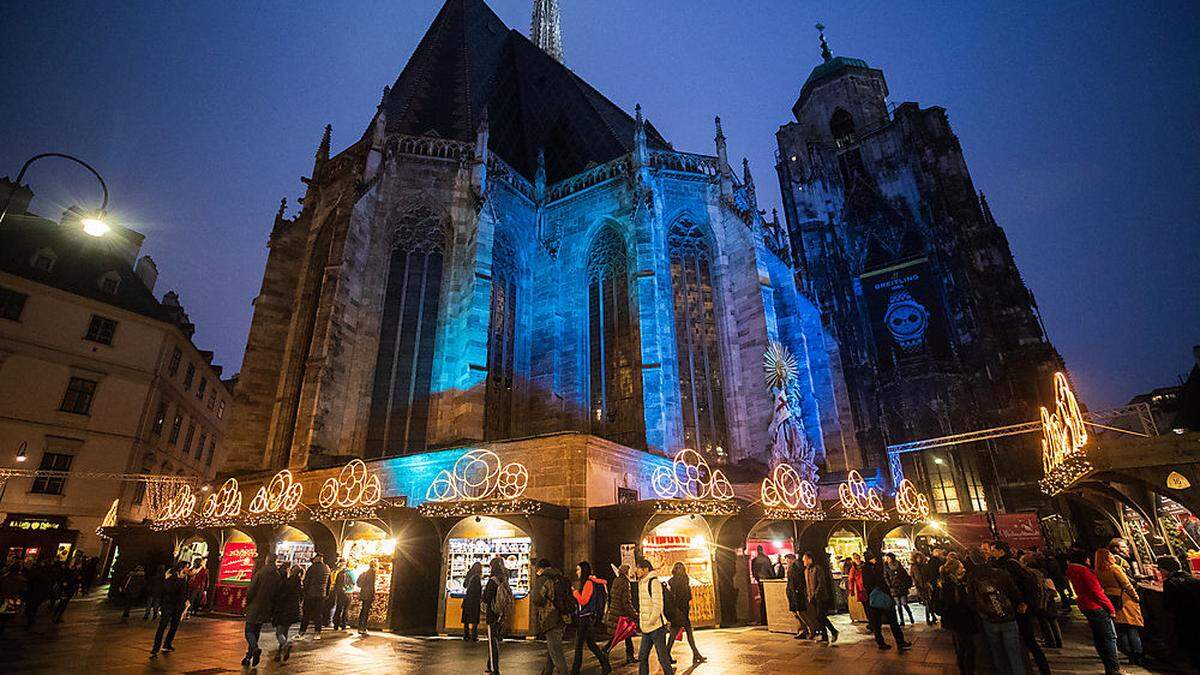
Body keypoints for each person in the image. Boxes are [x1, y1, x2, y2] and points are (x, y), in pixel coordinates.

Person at [985, 540, 1051, 675]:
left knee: (1028, 640)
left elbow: (1025, 585)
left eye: (992, 550)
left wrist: (1024, 602)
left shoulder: (1010, 565)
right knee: (1023, 641)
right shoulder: (1000, 564)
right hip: (1012, 608)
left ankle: (1043, 670)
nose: (991, 553)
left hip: (1019, 608)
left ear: (1001, 551)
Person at [966, 548, 1024, 674]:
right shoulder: (1000, 573)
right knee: (1014, 653)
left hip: (989, 618)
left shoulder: (972, 577)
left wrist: (981, 611)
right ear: (986, 557)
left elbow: (971, 601)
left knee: (997, 653)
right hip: (1007, 615)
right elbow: (1015, 593)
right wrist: (1019, 603)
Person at [1065, 548, 1121, 674]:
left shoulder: (1072, 570)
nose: (1089, 560)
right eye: (1087, 558)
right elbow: (1097, 592)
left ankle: (1109, 667)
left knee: (1099, 638)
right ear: (1084, 559)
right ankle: (1114, 668)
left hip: (1086, 606)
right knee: (1109, 638)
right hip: (1096, 607)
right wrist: (1111, 609)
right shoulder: (1085, 572)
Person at [1094, 547, 1144, 666]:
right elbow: (1126, 584)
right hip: (1124, 599)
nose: (1113, 556)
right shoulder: (1115, 568)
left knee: (1121, 629)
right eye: (1110, 555)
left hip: (1111, 599)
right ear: (1107, 557)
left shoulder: (1098, 571)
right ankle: (1137, 654)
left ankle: (1129, 654)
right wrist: (1135, 596)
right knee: (1132, 627)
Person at [938, 557, 979, 675]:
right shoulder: (954, 585)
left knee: (961, 647)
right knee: (969, 648)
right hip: (960, 620)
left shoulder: (948, 582)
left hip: (955, 621)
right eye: (961, 567)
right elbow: (956, 604)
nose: (964, 569)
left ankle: (963, 670)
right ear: (954, 570)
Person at [1159, 555, 1200, 672]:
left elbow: (1169, 605)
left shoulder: (1170, 582)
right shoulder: (1193, 579)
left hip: (1182, 618)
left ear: (1164, 569)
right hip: (1196, 615)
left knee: (1189, 645)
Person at [861, 550, 909, 651]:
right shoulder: (873, 569)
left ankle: (881, 642)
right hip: (881, 596)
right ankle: (899, 641)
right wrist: (887, 593)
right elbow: (880, 582)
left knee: (877, 623)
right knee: (892, 620)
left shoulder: (866, 569)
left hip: (874, 598)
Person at [570, 560, 612, 674]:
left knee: (578, 645)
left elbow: (583, 601)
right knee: (591, 644)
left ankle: (575, 670)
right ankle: (606, 666)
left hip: (585, 618)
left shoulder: (588, 583)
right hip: (587, 617)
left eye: (578, 570)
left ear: (583, 570)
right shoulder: (589, 582)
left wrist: (575, 593)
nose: (577, 572)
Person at [634, 559, 674, 675]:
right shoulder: (641, 583)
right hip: (646, 628)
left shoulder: (654, 582)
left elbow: (658, 605)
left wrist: (651, 621)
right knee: (642, 656)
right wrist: (643, 623)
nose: (636, 571)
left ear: (645, 569)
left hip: (656, 628)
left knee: (662, 658)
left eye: (638, 568)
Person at [242, 554, 282, 667]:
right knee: (256, 632)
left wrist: (247, 602)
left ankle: (254, 649)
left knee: (249, 631)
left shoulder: (260, 573)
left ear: (267, 559)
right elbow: (276, 594)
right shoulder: (277, 575)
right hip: (266, 608)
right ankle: (248, 657)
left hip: (255, 606)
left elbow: (251, 590)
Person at [664, 561, 705, 665]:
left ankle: (695, 654)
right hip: (682, 612)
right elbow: (687, 597)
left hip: (676, 612)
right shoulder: (684, 581)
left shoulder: (671, 582)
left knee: (674, 635)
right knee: (685, 634)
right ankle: (695, 655)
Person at [533, 558, 569, 675]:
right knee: (552, 651)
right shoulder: (560, 577)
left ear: (541, 569)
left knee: (556, 653)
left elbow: (537, 599)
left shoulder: (542, 579)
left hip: (550, 617)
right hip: (562, 616)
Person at [1019, 553, 1062, 648]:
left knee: (1044, 621)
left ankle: (1051, 641)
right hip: (1049, 597)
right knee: (1052, 619)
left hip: (1041, 599)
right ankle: (1058, 641)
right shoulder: (1043, 569)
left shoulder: (1030, 572)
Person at [150, 562, 190, 657]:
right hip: (168, 605)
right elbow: (169, 590)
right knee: (163, 625)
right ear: (181, 568)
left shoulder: (184, 578)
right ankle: (155, 648)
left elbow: (184, 592)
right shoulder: (171, 577)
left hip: (179, 606)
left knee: (174, 625)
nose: (188, 569)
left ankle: (167, 644)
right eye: (187, 567)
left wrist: (185, 601)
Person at [481, 556, 513, 675]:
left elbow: (486, 598)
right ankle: (490, 666)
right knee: (494, 639)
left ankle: (495, 669)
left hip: (492, 613)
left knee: (492, 642)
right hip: (500, 613)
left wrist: (483, 601)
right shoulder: (504, 579)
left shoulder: (492, 581)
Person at [605, 563, 638, 665]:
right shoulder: (625, 583)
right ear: (626, 572)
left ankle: (629, 656)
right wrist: (634, 614)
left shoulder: (616, 581)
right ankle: (605, 650)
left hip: (615, 611)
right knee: (622, 635)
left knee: (623, 635)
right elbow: (626, 602)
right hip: (621, 614)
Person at [803, 552, 838, 643]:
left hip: (820, 597)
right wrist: (809, 595)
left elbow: (821, 582)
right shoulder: (806, 571)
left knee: (821, 616)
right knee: (819, 617)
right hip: (812, 598)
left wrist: (815, 594)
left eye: (805, 559)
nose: (804, 562)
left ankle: (833, 631)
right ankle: (825, 636)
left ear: (810, 559)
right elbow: (807, 585)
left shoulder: (817, 569)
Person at [273, 564, 303, 663]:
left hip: (284, 610)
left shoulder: (288, 582)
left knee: (279, 632)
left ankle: (285, 646)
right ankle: (279, 652)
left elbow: (282, 596)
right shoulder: (299, 583)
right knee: (284, 631)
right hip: (292, 611)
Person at [299, 553, 330, 639]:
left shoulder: (312, 568)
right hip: (321, 595)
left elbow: (307, 582)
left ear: (317, 559)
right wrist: (326, 594)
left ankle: (302, 632)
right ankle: (317, 633)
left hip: (311, 594)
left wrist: (304, 593)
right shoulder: (327, 568)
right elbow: (328, 583)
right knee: (318, 614)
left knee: (306, 614)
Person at [784, 553, 811, 639]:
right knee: (796, 612)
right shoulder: (794, 566)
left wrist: (797, 590)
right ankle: (804, 629)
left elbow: (797, 580)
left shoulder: (795, 566)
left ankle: (810, 629)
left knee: (800, 612)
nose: (786, 562)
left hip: (795, 593)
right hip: (793, 592)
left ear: (790, 559)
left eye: (787, 560)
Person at [883, 552, 915, 626]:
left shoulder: (899, 565)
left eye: (888, 558)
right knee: (898, 605)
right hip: (894, 588)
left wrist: (905, 583)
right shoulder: (886, 567)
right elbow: (886, 577)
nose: (887, 559)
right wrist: (890, 585)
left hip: (902, 587)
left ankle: (910, 616)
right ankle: (901, 620)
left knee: (904, 603)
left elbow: (905, 575)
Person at [751, 545, 774, 624]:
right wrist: (773, 578)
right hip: (768, 581)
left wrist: (758, 579)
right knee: (768, 600)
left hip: (761, 581)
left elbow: (754, 572)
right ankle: (768, 619)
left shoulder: (755, 560)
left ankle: (763, 619)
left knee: (763, 600)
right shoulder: (766, 559)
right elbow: (770, 571)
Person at [461, 561, 483, 642]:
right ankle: (474, 635)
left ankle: (466, 635)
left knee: (466, 619)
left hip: (467, 599)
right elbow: (478, 591)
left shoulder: (469, 575)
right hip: (474, 601)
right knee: (474, 619)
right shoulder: (477, 577)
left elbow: (464, 585)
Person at [329, 558, 352, 631]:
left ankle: (335, 623)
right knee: (343, 608)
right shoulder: (345, 572)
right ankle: (342, 624)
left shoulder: (335, 571)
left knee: (337, 607)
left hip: (337, 590)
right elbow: (353, 582)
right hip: (344, 592)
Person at [356, 559, 377, 635]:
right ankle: (363, 627)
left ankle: (360, 627)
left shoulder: (366, 572)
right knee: (366, 611)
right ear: (375, 565)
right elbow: (372, 584)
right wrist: (373, 594)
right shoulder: (373, 572)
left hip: (364, 593)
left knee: (363, 610)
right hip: (368, 594)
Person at [846, 552, 867, 623]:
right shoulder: (857, 567)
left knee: (865, 603)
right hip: (860, 587)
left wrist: (851, 589)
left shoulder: (856, 567)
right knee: (864, 603)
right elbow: (851, 579)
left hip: (860, 587)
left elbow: (851, 579)